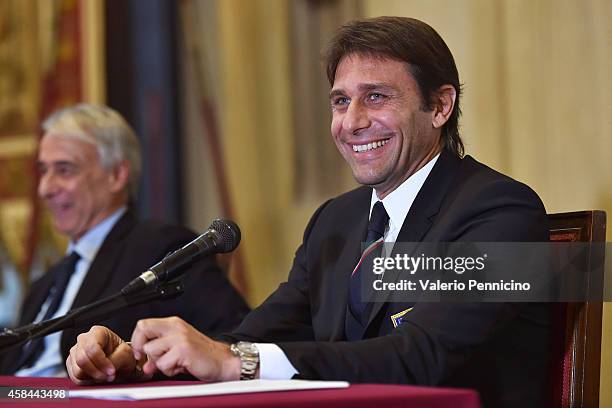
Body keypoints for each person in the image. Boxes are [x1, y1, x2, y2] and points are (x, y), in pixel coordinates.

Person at [65, 18, 552, 407]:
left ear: (440, 106)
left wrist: (240, 362)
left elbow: (422, 356)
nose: (353, 122)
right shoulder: (335, 223)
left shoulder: (502, 211)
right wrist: (146, 360)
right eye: (340, 101)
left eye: (376, 97)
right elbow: (250, 336)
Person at [0, 103, 250, 377]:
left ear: (117, 175)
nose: (45, 188)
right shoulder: (43, 286)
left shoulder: (161, 248)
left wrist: (142, 364)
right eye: (43, 170)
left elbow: (230, 338)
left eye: (64, 170)